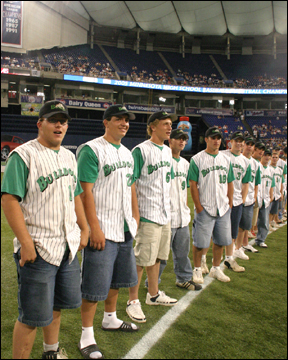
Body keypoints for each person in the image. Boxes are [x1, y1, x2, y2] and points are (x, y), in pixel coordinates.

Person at [1, 100, 89, 359]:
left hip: (67, 246)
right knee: (31, 317)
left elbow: (76, 196)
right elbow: (9, 200)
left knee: (57, 305)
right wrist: (25, 243)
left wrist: (83, 228)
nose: (59, 125)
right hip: (38, 247)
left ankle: (51, 352)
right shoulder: (24, 155)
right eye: (53, 120)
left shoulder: (69, 156)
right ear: (40, 124)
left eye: (63, 121)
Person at [76, 105, 140, 359]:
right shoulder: (91, 150)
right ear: (106, 122)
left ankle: (110, 318)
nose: (124, 124)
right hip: (102, 227)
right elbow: (84, 191)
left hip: (124, 226)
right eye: (119, 120)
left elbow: (131, 187)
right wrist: (94, 228)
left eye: (126, 120)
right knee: (94, 286)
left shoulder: (126, 152)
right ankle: (86, 335)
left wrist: (134, 218)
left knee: (116, 280)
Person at [126, 111, 178, 325]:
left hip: (164, 214)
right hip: (147, 214)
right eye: (165, 124)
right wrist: (136, 214)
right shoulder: (140, 150)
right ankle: (132, 301)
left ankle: (153, 294)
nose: (169, 128)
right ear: (152, 127)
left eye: (170, 124)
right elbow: (131, 182)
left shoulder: (167, 151)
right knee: (141, 259)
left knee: (157, 257)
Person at [144, 129, 202, 291]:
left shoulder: (185, 163)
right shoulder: (163, 160)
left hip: (182, 216)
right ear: (170, 140)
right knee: (161, 255)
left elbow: (184, 190)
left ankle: (183, 278)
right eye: (178, 139)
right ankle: (152, 283)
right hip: (165, 216)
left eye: (184, 139)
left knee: (182, 253)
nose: (182, 142)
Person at [189, 127, 235, 283]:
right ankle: (196, 269)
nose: (216, 141)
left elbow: (230, 183)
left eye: (218, 138)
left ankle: (216, 268)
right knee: (200, 243)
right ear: (206, 139)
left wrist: (229, 202)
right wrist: (199, 206)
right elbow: (193, 185)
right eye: (213, 138)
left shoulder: (226, 159)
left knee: (220, 241)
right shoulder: (197, 159)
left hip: (222, 207)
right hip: (206, 207)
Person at [221, 131, 252, 267]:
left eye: (241, 141)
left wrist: (243, 199)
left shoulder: (246, 162)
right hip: (222, 199)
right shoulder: (222, 155)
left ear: (243, 144)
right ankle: (211, 256)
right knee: (218, 230)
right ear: (231, 142)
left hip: (237, 200)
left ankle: (229, 255)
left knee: (233, 230)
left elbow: (246, 183)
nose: (239, 143)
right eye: (236, 140)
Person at [238, 136, 261, 254]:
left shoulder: (256, 164)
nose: (249, 146)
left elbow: (256, 182)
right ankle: (236, 247)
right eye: (248, 144)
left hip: (250, 197)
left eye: (252, 145)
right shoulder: (238, 159)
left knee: (246, 224)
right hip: (237, 196)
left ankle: (244, 244)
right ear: (243, 145)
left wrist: (255, 195)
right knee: (235, 224)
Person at [254, 149, 275, 248]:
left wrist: (271, 196)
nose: (267, 157)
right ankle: (243, 240)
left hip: (266, 198)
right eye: (265, 155)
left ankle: (261, 239)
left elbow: (272, 184)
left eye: (269, 155)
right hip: (256, 196)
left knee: (264, 221)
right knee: (251, 221)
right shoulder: (258, 166)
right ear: (262, 156)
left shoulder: (271, 170)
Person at [249, 142, 266, 238]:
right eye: (260, 149)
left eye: (263, 150)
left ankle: (251, 229)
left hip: (256, 192)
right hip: (247, 192)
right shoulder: (248, 161)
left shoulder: (258, 163)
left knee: (254, 212)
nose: (261, 152)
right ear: (254, 149)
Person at [269, 150, 284, 230]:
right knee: (269, 211)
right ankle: (268, 224)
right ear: (271, 158)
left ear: (278, 159)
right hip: (270, 193)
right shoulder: (268, 168)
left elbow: (281, 182)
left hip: (277, 192)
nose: (274, 159)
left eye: (276, 157)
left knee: (274, 210)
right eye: (273, 157)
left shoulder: (280, 170)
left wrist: (281, 193)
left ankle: (271, 222)